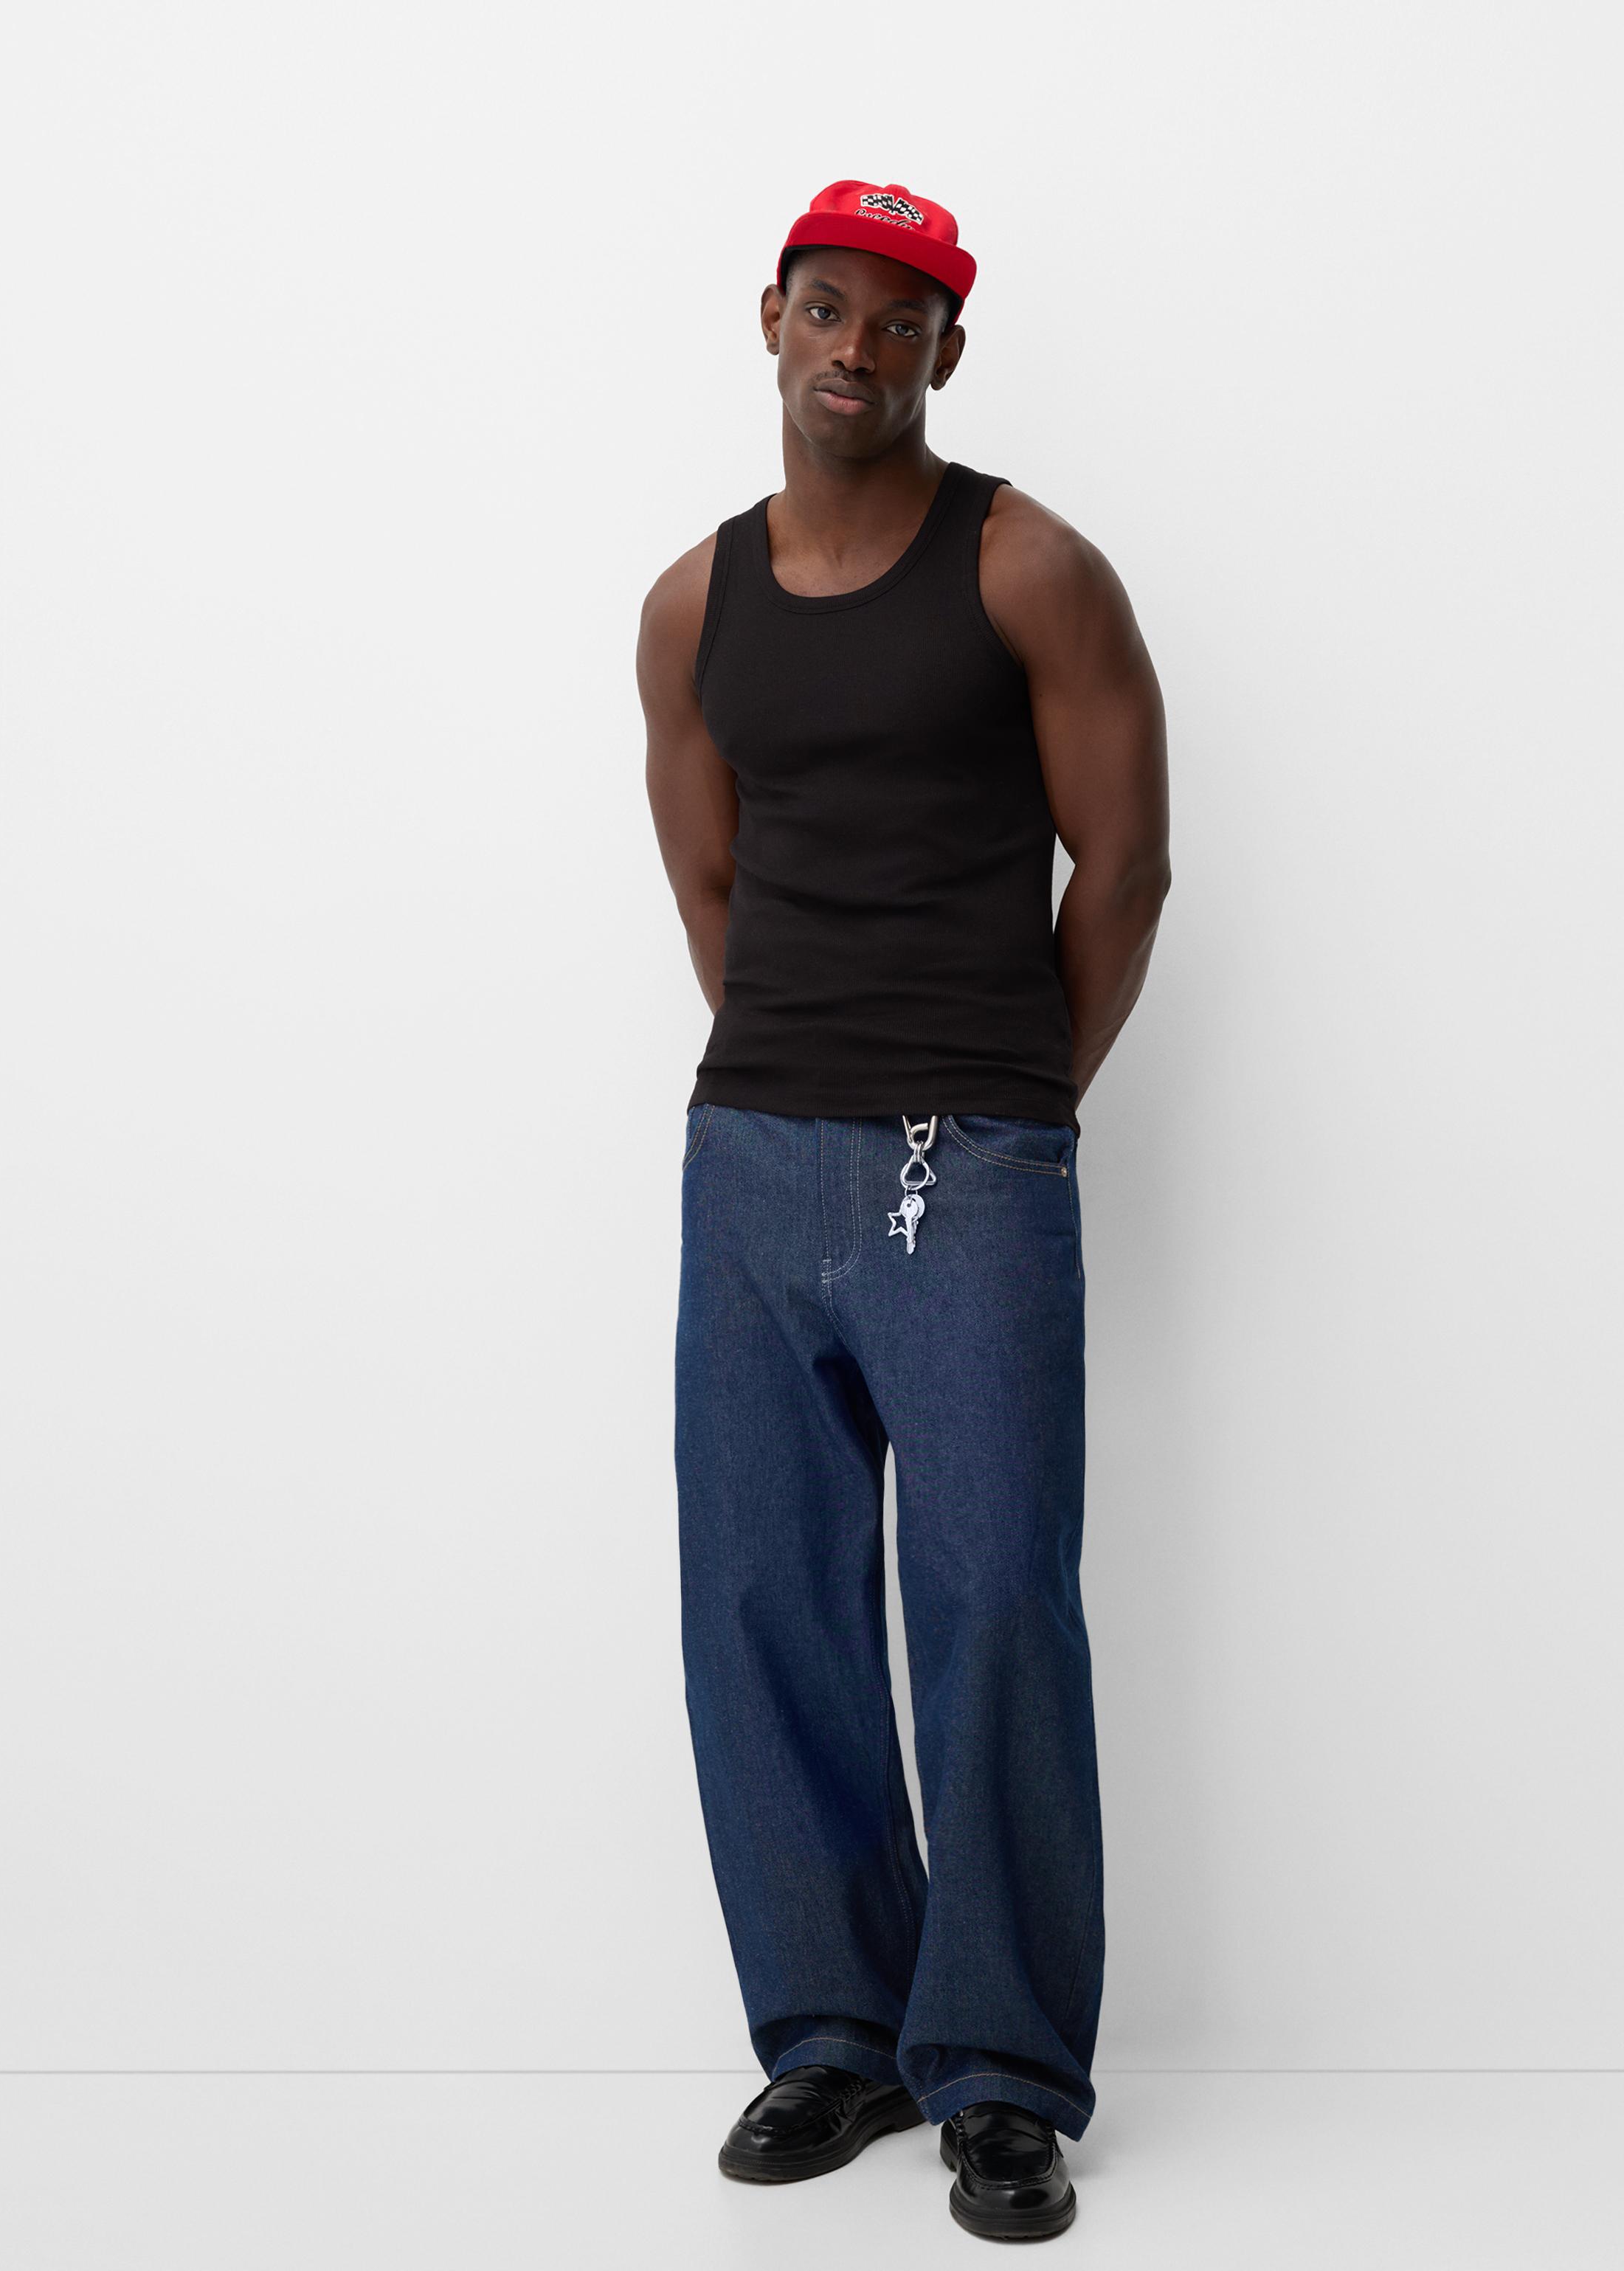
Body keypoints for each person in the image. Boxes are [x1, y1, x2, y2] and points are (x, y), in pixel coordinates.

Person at [637, 177, 1169, 2243]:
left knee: (994, 1600)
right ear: (770, 316)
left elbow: (1122, 870)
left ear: (951, 348)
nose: (857, 348)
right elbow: (710, 881)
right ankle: (836, 2036)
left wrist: (1013, 1097)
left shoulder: (1028, 568)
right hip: (753, 1158)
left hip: (978, 1160)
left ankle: (1006, 2076)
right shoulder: (691, 603)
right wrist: (800, 1079)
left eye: (902, 319)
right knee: (761, 1603)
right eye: (828, 308)